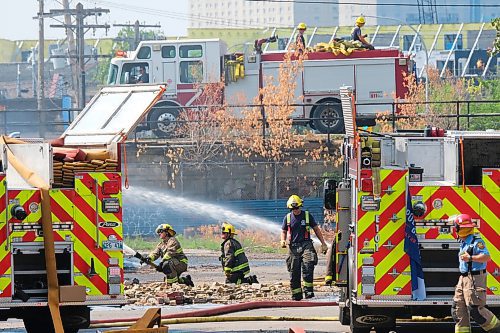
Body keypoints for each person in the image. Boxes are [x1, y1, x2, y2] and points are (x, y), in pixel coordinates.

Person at [452, 214, 500, 333]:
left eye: (457, 227)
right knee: (457, 309)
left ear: (459, 229)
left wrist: (471, 258)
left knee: (476, 311)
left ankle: (497, 329)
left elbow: (487, 257)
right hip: (463, 278)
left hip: (474, 278)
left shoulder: (477, 242)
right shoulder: (463, 242)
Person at [281, 195, 328, 301]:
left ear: (300, 206)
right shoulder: (287, 218)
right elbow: (283, 231)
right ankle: (296, 295)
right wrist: (282, 240)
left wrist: (323, 243)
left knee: (308, 267)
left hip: (306, 244)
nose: (295, 210)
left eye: (297, 208)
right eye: (293, 209)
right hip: (293, 247)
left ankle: (309, 293)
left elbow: (316, 229)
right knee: (294, 272)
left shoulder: (307, 216)